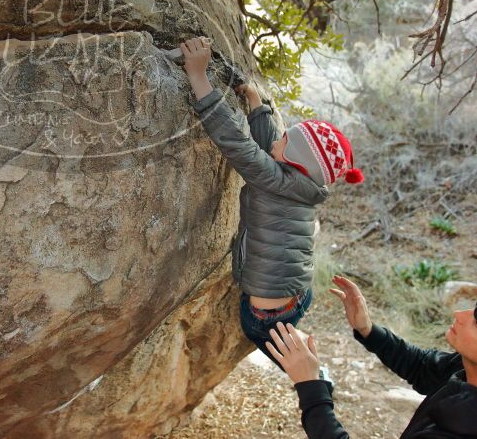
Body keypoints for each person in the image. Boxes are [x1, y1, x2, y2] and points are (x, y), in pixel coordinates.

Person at [179, 36, 364, 370]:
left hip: (265, 318)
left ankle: (314, 377)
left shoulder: (274, 181)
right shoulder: (301, 183)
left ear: (296, 158)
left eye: (286, 140)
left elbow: (237, 144)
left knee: (295, 364)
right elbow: (269, 151)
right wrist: (255, 103)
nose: (278, 138)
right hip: (298, 295)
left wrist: (198, 76)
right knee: (291, 339)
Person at [266, 274, 477, 437]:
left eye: (476, 321)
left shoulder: (461, 428)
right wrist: (368, 330)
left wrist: (311, 386)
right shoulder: (466, 369)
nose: (460, 314)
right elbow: (422, 367)